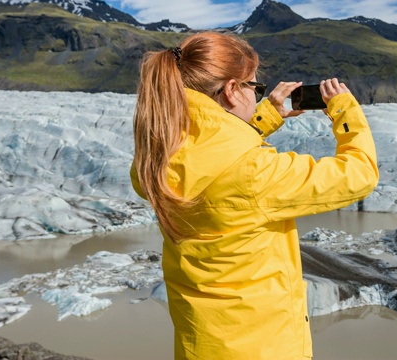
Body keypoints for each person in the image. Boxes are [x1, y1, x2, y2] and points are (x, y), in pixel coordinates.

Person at [130, 31, 379, 359]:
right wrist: (346, 112)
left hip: (202, 345)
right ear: (232, 90)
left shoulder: (158, 159)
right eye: (255, 88)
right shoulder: (254, 172)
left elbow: (216, 155)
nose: (257, 96)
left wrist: (265, 115)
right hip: (261, 348)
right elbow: (359, 175)